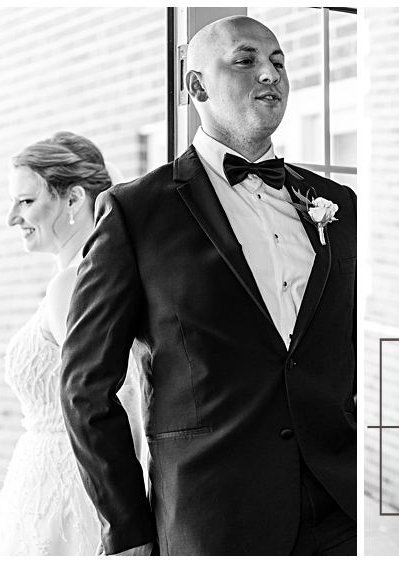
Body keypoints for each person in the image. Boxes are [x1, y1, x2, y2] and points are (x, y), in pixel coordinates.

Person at [61, 16, 357, 556]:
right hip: (213, 517)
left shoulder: (341, 204)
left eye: (278, 62)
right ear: (196, 86)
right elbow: (86, 388)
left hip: (342, 507)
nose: (270, 74)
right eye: (246, 61)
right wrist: (128, 530)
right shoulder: (135, 212)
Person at [0, 133, 147, 555]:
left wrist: (125, 521)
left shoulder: (71, 286)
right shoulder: (87, 278)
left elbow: (114, 400)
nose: (11, 218)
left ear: (73, 199)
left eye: (24, 201)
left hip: (65, 489)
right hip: (54, 482)